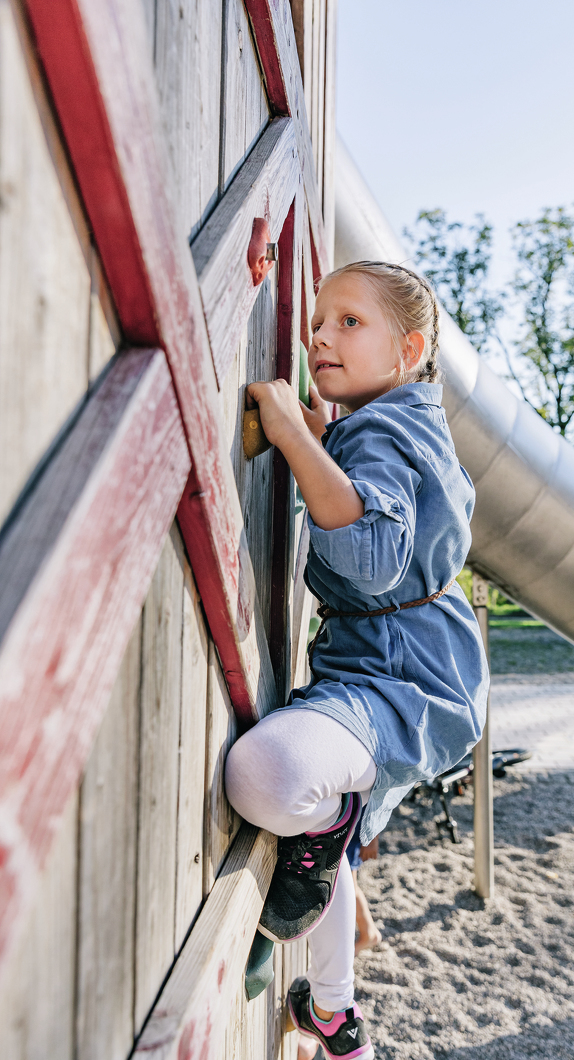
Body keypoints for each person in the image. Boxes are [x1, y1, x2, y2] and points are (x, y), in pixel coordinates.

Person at [225, 261, 489, 1060]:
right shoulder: (398, 420)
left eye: (349, 322)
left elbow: (373, 556)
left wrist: (298, 436)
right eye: (316, 322)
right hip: (405, 668)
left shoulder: (384, 427)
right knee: (314, 820)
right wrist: (327, 437)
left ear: (408, 349)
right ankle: (336, 1019)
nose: (319, 335)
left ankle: (322, 839)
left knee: (267, 775)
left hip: (405, 677)